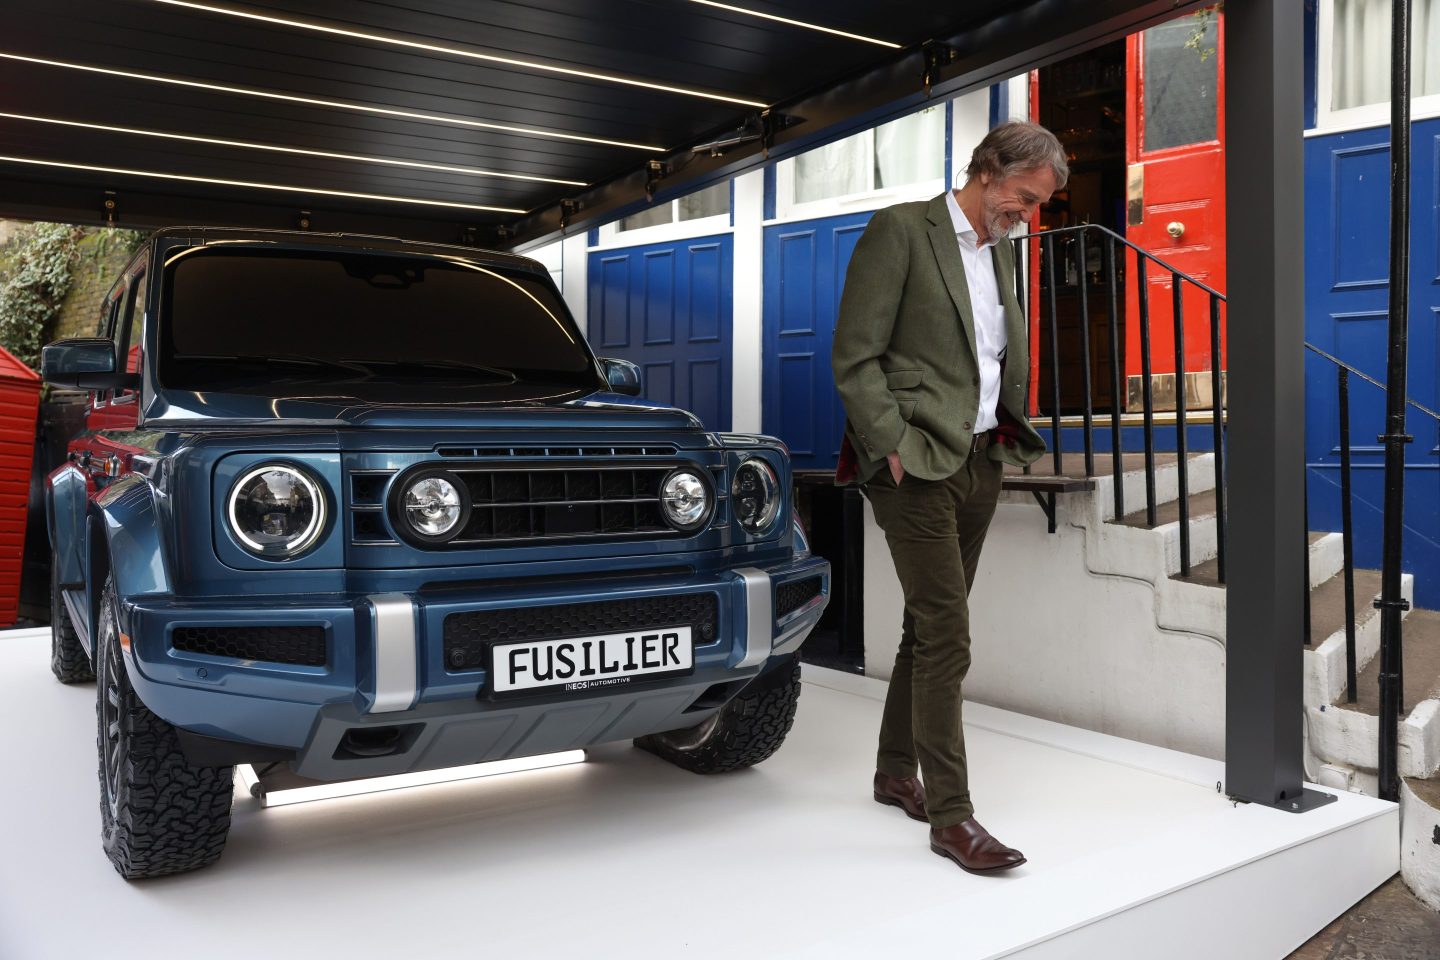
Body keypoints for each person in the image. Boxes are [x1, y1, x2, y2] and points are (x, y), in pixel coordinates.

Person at [831, 120, 1066, 874]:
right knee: (948, 631)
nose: (1027, 216)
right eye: (1024, 199)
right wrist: (890, 447)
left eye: (1036, 207)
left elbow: (988, 355)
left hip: (978, 461)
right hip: (914, 464)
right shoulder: (901, 231)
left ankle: (895, 770)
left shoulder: (1001, 254)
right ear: (989, 170)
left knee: (925, 629)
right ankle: (952, 817)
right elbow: (855, 355)